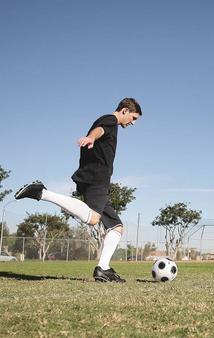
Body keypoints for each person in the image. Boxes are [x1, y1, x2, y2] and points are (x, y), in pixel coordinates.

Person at [15, 98, 142, 282]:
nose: (133, 122)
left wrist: (92, 138)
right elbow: (99, 130)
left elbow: (100, 131)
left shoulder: (110, 123)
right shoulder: (110, 120)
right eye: (133, 117)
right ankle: (41, 192)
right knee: (93, 218)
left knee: (116, 227)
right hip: (96, 177)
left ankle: (103, 269)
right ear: (124, 111)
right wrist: (91, 137)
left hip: (98, 178)